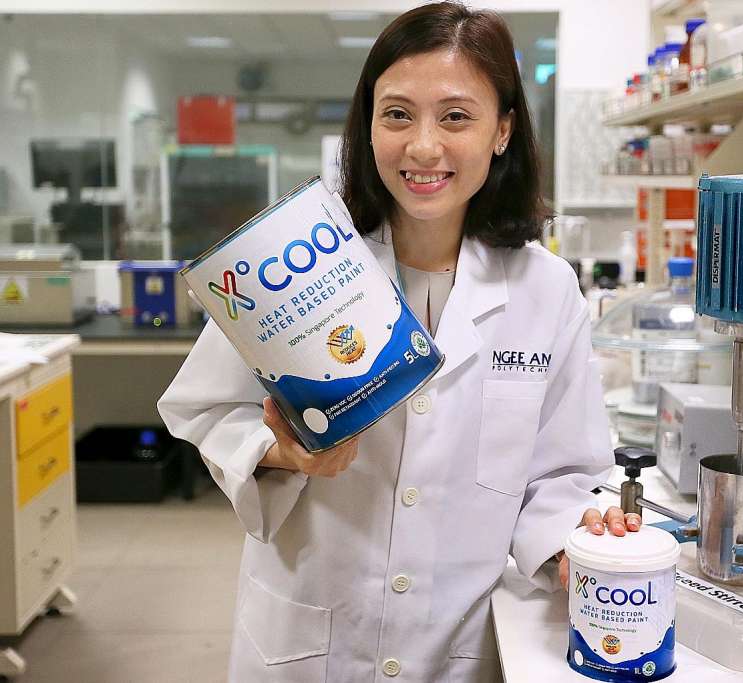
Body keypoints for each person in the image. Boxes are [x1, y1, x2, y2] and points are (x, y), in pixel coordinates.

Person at [158, 3, 639, 682]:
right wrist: (278, 452)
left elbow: (560, 473)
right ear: (368, 124)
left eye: (455, 116)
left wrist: (575, 537)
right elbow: (206, 409)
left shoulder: (546, 289)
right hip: (310, 633)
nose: (422, 147)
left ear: (502, 130)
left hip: (458, 643)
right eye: (397, 115)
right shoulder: (298, 263)